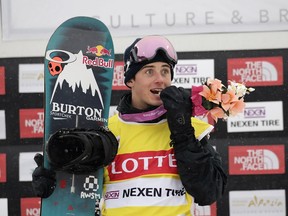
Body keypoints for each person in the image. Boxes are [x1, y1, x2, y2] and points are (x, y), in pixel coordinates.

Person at [32, 35, 227, 216]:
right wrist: (55, 181)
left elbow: (208, 192)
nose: (160, 79)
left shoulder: (190, 129)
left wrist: (181, 128)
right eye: (149, 71)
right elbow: (80, 194)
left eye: (165, 71)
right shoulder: (106, 132)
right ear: (131, 80)